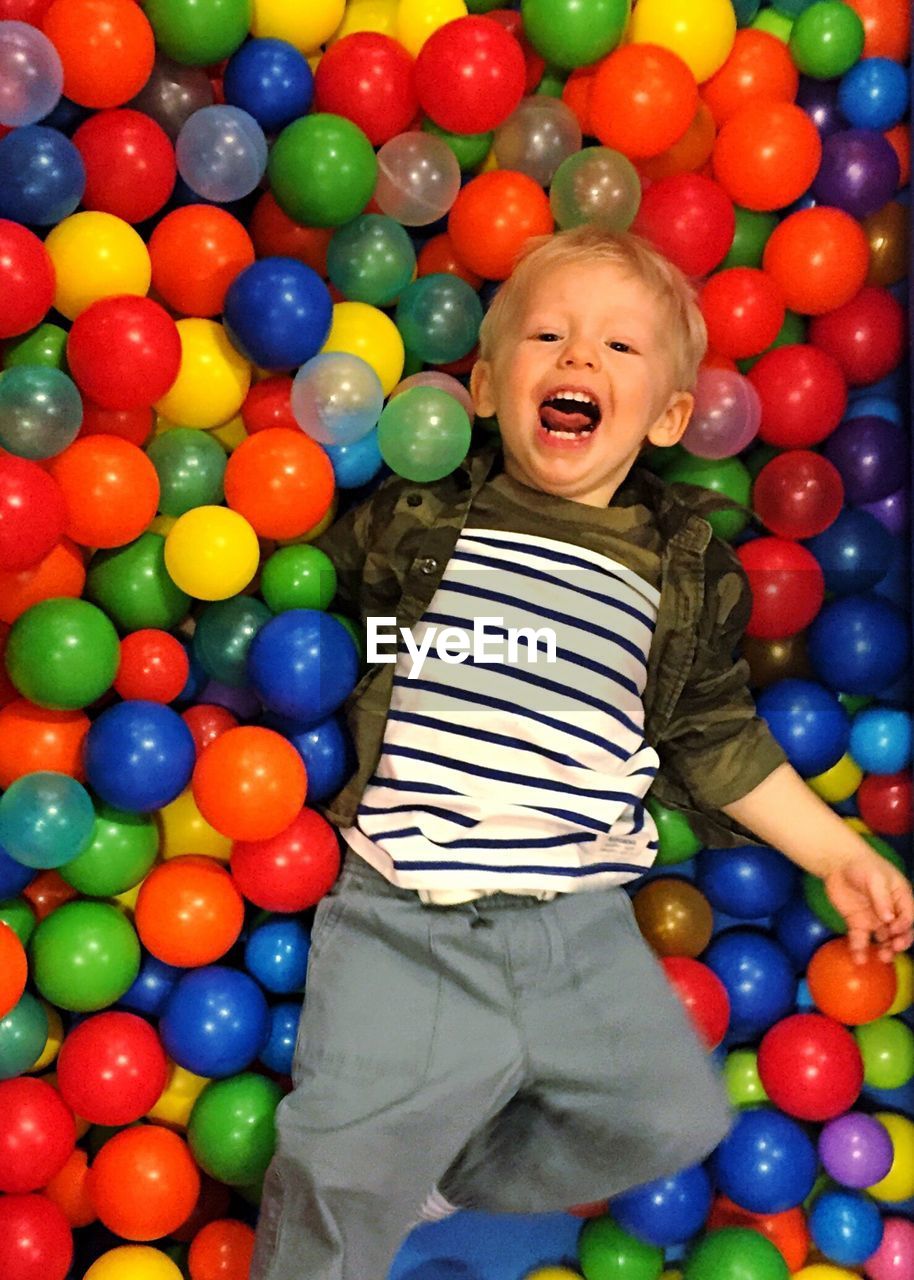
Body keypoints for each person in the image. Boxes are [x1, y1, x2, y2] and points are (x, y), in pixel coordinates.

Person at [250, 227, 913, 1280]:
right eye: (547, 337)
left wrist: (835, 852)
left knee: (667, 1113)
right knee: (333, 1157)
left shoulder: (671, 568)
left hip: (575, 925)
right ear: (478, 386)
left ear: (666, 418)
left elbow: (714, 736)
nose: (576, 360)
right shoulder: (426, 519)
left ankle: (441, 1175)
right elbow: (297, 591)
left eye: (618, 348)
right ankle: (370, 1183)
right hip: (401, 905)